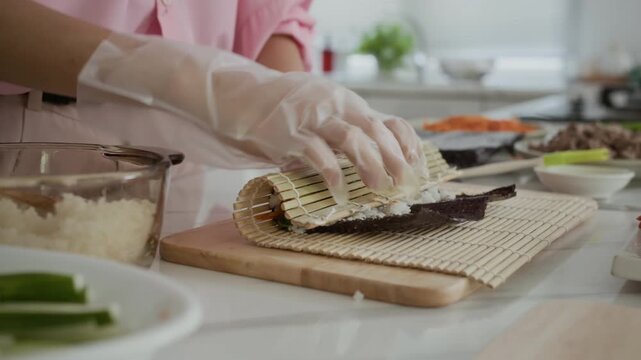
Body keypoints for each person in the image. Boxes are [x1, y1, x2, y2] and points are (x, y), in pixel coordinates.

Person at [0, 0, 426, 231]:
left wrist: (289, 99)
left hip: (187, 153)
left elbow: (277, 13)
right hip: (26, 142)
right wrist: (199, 82)